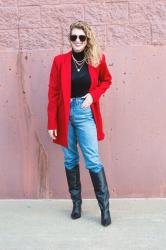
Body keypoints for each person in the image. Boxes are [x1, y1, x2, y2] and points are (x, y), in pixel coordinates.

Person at [47, 20, 112, 226]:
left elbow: (106, 81)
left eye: (81, 37)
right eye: (73, 37)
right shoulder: (59, 61)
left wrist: (93, 96)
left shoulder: (96, 59)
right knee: (70, 159)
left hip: (84, 113)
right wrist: (52, 122)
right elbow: (54, 92)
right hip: (64, 114)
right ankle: (76, 204)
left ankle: (104, 209)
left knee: (92, 159)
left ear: (87, 39)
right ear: (70, 38)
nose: (77, 40)